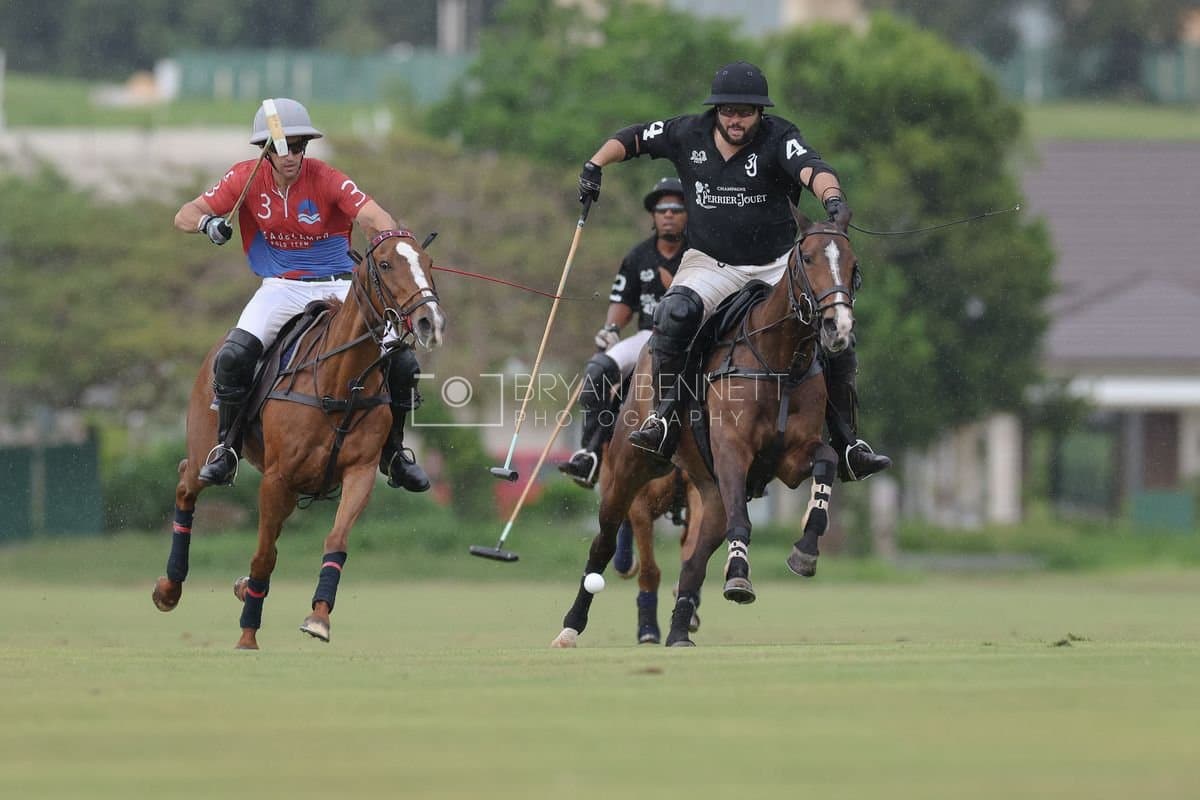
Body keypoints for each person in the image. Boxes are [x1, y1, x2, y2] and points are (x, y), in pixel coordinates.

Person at [575, 61, 890, 481]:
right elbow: (633, 138)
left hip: (775, 268)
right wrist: (594, 166)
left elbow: (813, 168)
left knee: (838, 331)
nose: (735, 120)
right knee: (675, 314)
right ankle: (663, 418)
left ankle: (848, 442)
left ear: (760, 112)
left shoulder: (779, 137)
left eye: (745, 112)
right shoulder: (689, 132)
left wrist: (832, 200)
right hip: (710, 263)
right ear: (716, 110)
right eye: (727, 111)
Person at [174, 98, 430, 492]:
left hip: (340, 284)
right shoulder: (244, 178)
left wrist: (392, 243)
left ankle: (394, 454)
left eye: (298, 147)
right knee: (234, 356)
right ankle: (226, 448)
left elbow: (373, 216)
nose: (291, 156)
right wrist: (208, 224)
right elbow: (184, 215)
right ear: (265, 151)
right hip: (281, 286)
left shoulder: (326, 178)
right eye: (282, 148)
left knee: (402, 361)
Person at [558, 177, 689, 488]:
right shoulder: (638, 257)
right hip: (649, 336)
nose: (668, 214)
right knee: (598, 370)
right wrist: (611, 328)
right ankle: (589, 455)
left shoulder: (700, 253)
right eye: (662, 209)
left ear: (688, 214)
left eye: (676, 208)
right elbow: (623, 302)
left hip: (694, 338)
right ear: (653, 216)